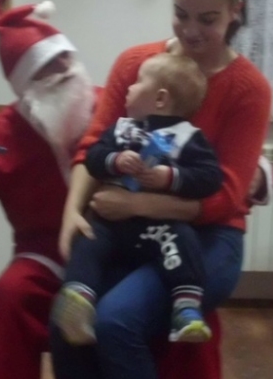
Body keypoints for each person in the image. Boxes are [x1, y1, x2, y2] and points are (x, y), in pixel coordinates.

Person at [0, 1, 270, 379]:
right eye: (46, 69)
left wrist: (257, 173)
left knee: (178, 293)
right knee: (7, 300)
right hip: (48, 255)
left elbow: (207, 153)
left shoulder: (121, 108)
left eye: (66, 59)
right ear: (25, 84)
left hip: (132, 244)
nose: (63, 72)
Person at [54, 0, 273, 379]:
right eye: (180, 14)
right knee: (67, 320)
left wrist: (137, 202)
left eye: (207, 19)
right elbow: (95, 145)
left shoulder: (248, 89)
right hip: (131, 230)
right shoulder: (137, 64)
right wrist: (72, 212)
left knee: (116, 322)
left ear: (235, 12)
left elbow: (227, 195)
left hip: (210, 239)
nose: (191, 31)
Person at [54, 52, 223, 347]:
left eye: (138, 82)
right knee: (87, 240)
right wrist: (115, 160)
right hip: (110, 223)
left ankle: (186, 309)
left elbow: (210, 178)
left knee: (185, 240)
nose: (129, 88)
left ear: (160, 99)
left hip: (158, 227)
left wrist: (169, 177)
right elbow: (93, 158)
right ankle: (78, 301)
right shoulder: (122, 129)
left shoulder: (188, 138)